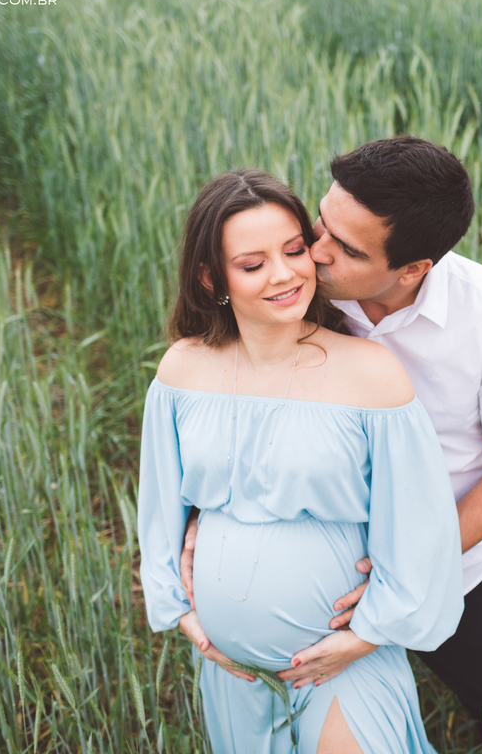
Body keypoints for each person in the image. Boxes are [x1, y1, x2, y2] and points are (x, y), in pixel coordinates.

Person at [181, 137, 482, 752]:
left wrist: (406, 566)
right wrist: (203, 524)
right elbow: (230, 409)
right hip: (321, 583)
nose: (313, 254)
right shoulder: (294, 294)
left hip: (452, 567)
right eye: (321, 225)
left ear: (413, 269)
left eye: (346, 249)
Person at [137, 168, 464, 753]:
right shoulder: (182, 370)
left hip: (342, 665)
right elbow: (159, 506)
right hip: (231, 672)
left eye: (294, 250)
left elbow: (421, 528)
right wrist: (183, 613)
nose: (284, 273)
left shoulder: (370, 373)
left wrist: (365, 637)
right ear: (213, 277)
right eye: (252, 263)